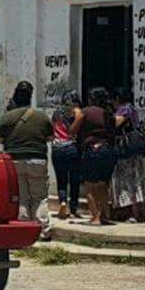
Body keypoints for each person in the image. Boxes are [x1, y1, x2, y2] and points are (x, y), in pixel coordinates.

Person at [0, 81, 53, 239]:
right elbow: (50, 137)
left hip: (14, 162)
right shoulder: (42, 117)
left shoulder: (6, 118)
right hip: (38, 160)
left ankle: (23, 229)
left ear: (15, 98)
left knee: (21, 196)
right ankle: (43, 230)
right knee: (39, 197)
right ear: (30, 97)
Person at [70, 87, 116, 226]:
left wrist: (76, 115)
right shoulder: (109, 113)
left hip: (91, 150)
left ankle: (95, 217)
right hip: (107, 150)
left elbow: (73, 130)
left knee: (90, 185)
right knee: (103, 185)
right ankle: (104, 216)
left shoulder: (86, 112)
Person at [110, 88, 145, 222]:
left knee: (128, 181)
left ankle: (134, 213)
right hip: (132, 151)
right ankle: (130, 212)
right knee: (132, 180)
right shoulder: (132, 109)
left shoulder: (124, 110)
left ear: (117, 99)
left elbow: (115, 124)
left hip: (126, 151)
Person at [51, 90, 83, 219]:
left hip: (57, 148)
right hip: (71, 147)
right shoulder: (75, 113)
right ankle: (73, 208)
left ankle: (63, 201)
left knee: (61, 179)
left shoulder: (56, 113)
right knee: (74, 179)